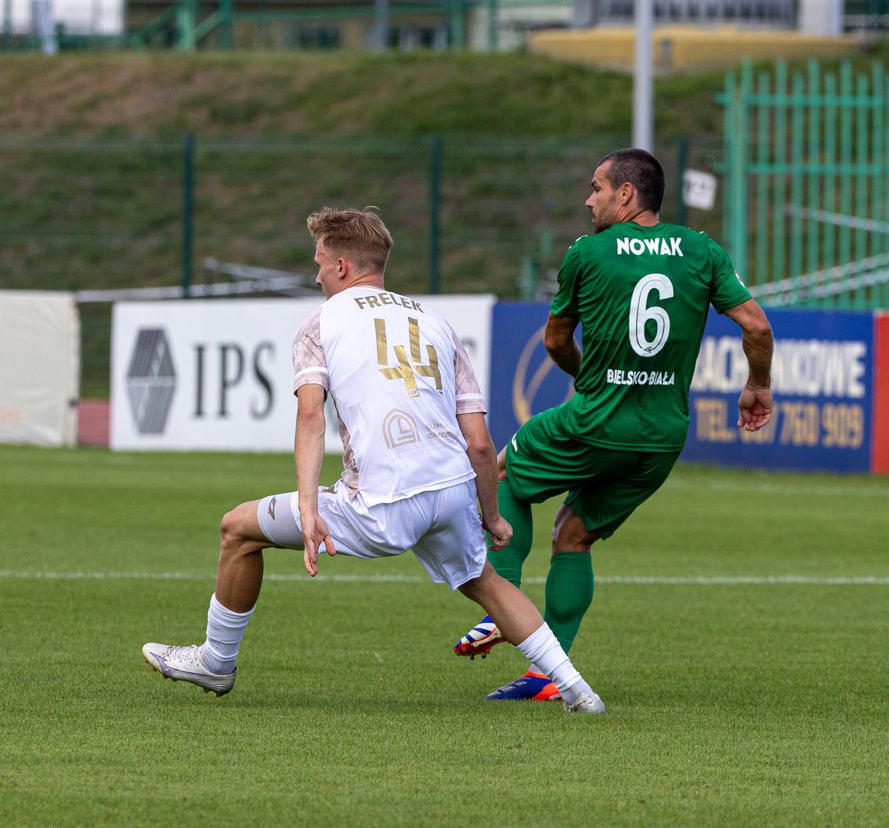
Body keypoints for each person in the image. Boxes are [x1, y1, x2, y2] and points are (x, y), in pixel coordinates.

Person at [142, 206, 605, 714]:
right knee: (485, 582)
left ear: (342, 266)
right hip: (450, 491)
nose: (316, 274)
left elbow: (311, 418)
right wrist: (490, 515)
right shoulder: (436, 322)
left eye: (319, 262)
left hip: (380, 502)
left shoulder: (320, 323)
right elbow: (479, 443)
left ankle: (216, 662)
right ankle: (577, 689)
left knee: (237, 529)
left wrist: (308, 506)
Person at [453, 148, 774, 702]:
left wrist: (585, 376)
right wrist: (757, 386)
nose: (589, 198)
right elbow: (757, 327)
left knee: (502, 476)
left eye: (597, 187)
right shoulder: (702, 250)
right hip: (662, 437)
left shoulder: (588, 252)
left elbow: (555, 339)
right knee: (574, 536)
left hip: (595, 420)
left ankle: (504, 606)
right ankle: (546, 677)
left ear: (627, 194)